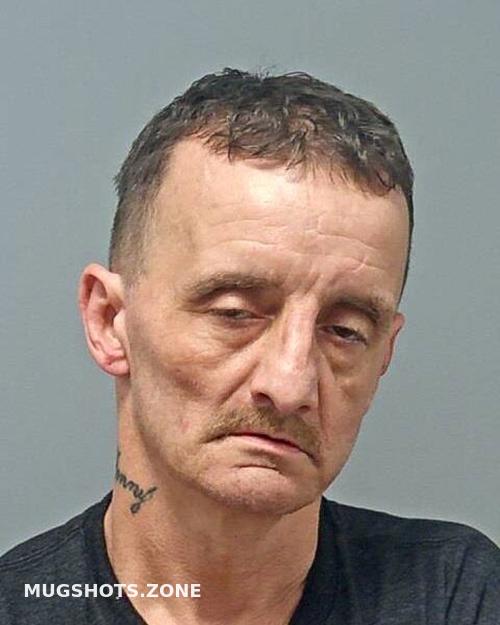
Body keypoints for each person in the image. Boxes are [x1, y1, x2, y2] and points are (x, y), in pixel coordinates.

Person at [0, 68, 498, 625]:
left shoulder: (457, 596)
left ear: (385, 354)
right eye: (234, 313)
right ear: (110, 321)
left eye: (344, 331)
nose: (290, 384)